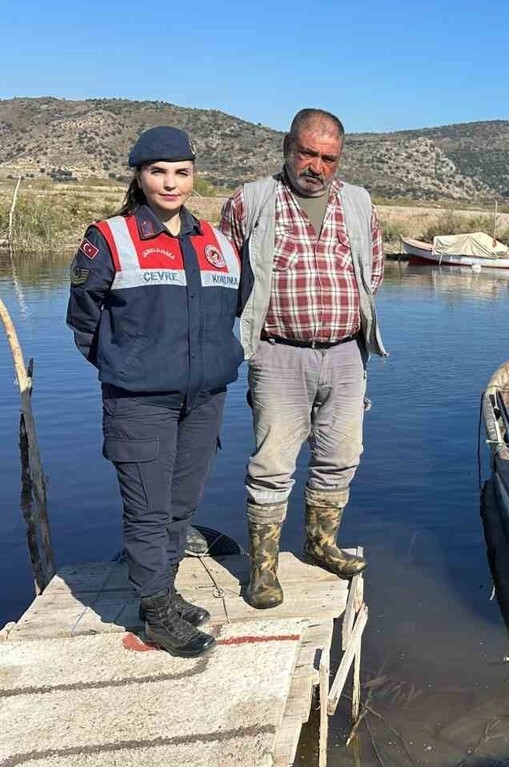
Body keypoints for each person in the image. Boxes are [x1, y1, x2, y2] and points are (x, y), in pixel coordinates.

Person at [67, 126, 243, 657]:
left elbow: (231, 310)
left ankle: (162, 591)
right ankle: (156, 612)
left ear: (193, 175)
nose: (170, 182)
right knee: (146, 510)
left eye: (181, 172)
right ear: (139, 176)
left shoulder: (216, 242)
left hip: (204, 399)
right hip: (139, 402)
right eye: (158, 171)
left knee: (179, 506)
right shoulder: (110, 238)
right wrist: (131, 367)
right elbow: (84, 322)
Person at [219, 108, 386, 609]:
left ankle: (321, 545)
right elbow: (223, 275)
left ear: (340, 160)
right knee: (271, 465)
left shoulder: (358, 203)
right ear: (287, 148)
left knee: (340, 457)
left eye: (328, 158)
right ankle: (263, 571)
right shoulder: (251, 201)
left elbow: (371, 272)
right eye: (307, 153)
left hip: (345, 356)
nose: (316, 166)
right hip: (277, 355)